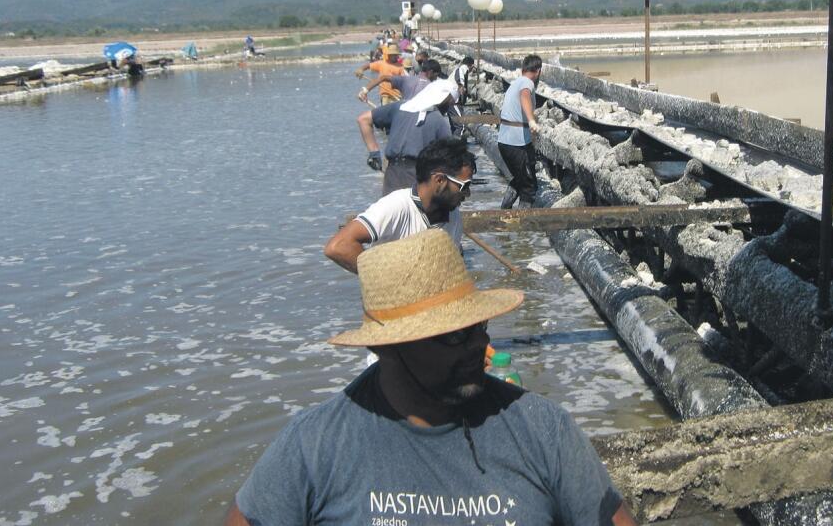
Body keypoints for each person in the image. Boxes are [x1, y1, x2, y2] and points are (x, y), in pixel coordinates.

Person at [227, 228, 638, 526]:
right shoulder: (315, 447)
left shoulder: (544, 431)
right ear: (384, 347)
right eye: (455, 335)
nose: (478, 345)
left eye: (480, 327)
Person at [324, 137, 474, 272]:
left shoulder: (453, 216)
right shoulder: (396, 206)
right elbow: (338, 247)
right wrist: (389, 281)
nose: (467, 194)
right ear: (440, 180)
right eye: (464, 186)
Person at [358, 79, 458, 194]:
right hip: (418, 175)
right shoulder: (439, 120)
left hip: (392, 173)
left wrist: (374, 152)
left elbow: (363, 119)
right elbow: (450, 158)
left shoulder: (400, 107)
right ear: (443, 100)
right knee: (416, 210)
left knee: (391, 210)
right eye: (449, 103)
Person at [497, 54, 542, 209]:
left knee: (520, 178)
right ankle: (524, 227)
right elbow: (524, 97)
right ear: (538, 71)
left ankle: (503, 213)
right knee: (529, 186)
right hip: (516, 142)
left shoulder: (515, 82)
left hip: (506, 140)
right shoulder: (527, 83)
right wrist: (531, 121)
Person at [358, 58, 442, 105]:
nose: (436, 78)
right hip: (387, 94)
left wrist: (364, 91)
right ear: (431, 72)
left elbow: (382, 78)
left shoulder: (408, 79)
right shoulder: (432, 87)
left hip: (400, 106)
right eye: (436, 76)